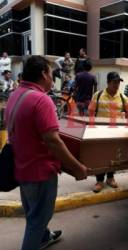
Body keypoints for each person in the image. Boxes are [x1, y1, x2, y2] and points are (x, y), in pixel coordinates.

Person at [4, 56, 88, 250]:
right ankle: (38, 237)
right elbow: (53, 141)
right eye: (52, 74)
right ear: (43, 74)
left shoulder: (17, 94)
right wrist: (77, 167)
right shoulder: (42, 99)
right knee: (37, 220)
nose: (53, 78)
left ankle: (44, 237)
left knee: (33, 213)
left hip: (22, 168)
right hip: (40, 173)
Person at [88, 71, 128, 193]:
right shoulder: (98, 95)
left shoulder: (122, 97)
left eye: (118, 82)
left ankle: (110, 178)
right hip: (101, 131)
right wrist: (91, 127)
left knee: (113, 155)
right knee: (101, 156)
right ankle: (99, 180)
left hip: (116, 131)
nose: (116, 85)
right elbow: (90, 112)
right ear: (108, 82)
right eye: (114, 82)